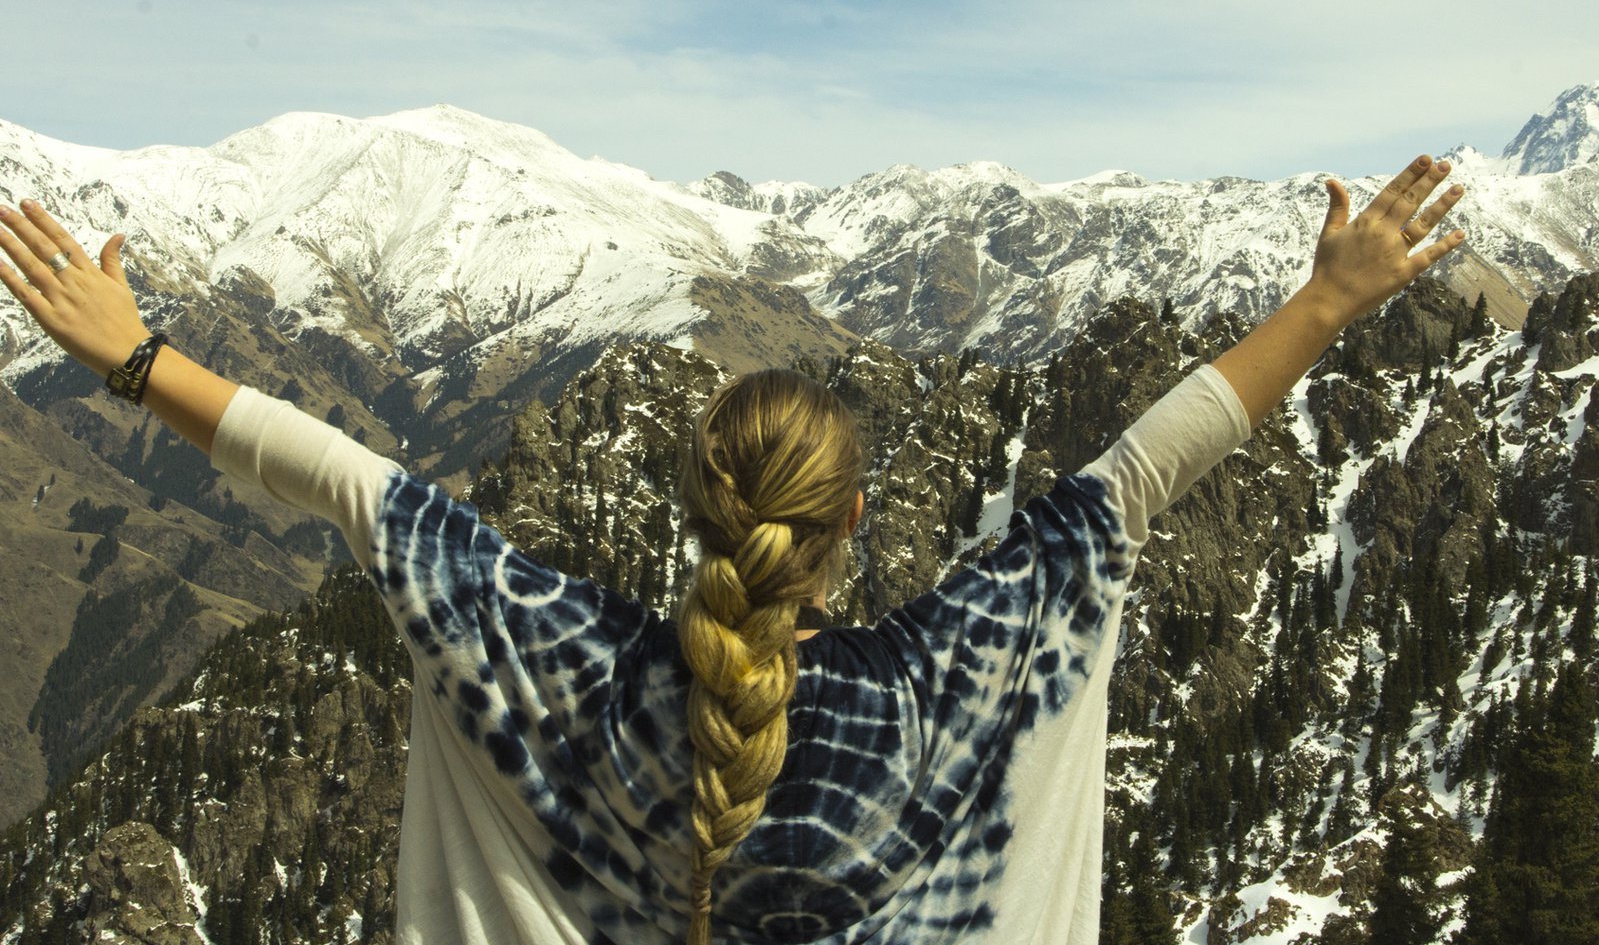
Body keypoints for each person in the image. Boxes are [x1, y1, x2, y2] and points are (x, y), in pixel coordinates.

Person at [0, 156, 1463, 944]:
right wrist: (1329, 302)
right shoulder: (942, 686)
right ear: (854, 522)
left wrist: (138, 364)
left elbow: (362, 491)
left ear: (696, 501)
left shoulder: (569, 670)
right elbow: (1140, 472)